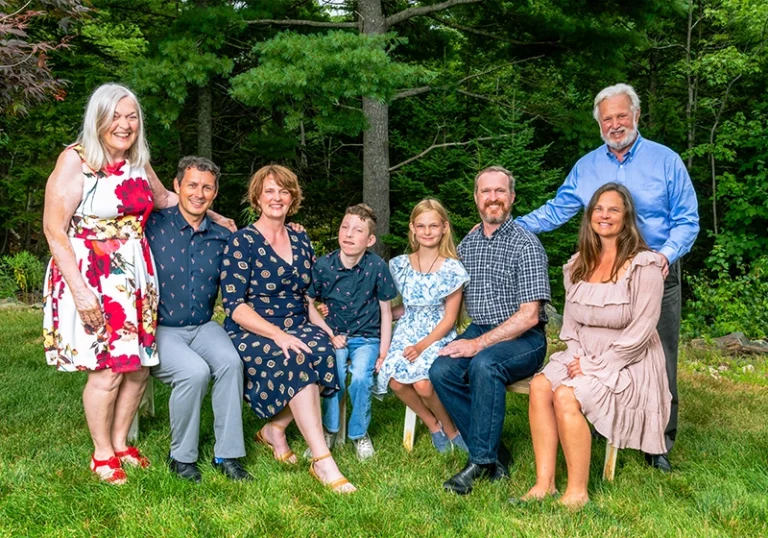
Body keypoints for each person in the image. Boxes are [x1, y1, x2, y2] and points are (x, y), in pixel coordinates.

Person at [516, 83, 699, 472]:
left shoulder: (666, 161)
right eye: (607, 119)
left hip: (654, 273)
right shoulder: (587, 166)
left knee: (657, 356)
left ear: (635, 116)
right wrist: (514, 227)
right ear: (599, 124)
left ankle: (658, 443)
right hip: (602, 274)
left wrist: (664, 256)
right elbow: (558, 208)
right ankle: (598, 416)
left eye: (621, 116)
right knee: (596, 349)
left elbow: (687, 220)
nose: (615, 124)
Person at [42, 83, 173, 484]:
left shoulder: (138, 160)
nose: (125, 124)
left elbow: (165, 199)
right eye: (115, 116)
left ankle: (120, 443)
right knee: (107, 371)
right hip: (91, 277)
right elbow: (53, 230)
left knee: (136, 369)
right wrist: (81, 292)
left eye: (131, 116)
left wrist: (217, 217)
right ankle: (100, 453)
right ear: (97, 119)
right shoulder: (75, 160)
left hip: (134, 276)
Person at [521, 184, 671, 509]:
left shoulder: (644, 265)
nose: (604, 215)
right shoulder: (578, 264)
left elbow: (643, 329)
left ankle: (577, 492)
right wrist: (577, 357)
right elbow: (572, 324)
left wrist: (595, 366)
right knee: (540, 386)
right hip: (582, 350)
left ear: (626, 216)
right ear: (589, 216)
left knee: (566, 395)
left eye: (613, 209)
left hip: (629, 358)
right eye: (598, 209)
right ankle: (543, 483)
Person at [220, 164, 355, 493]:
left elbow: (304, 295)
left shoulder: (300, 236)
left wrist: (322, 327)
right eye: (269, 191)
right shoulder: (242, 242)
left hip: (297, 321)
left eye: (284, 191)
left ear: (293, 197)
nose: (276, 197)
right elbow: (235, 307)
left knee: (324, 351)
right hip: (255, 327)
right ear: (257, 197)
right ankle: (323, 462)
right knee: (295, 358)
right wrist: (278, 334)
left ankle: (274, 430)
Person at [429, 166, 550, 495]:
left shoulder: (527, 244)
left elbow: (529, 315)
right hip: (482, 328)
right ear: (476, 198)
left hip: (525, 337)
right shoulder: (468, 244)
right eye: (486, 192)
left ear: (511, 197)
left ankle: (478, 462)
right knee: (441, 369)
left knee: (485, 364)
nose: (493, 198)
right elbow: (438, 280)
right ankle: (495, 453)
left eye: (500, 191)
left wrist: (478, 344)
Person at [146, 156, 251, 483]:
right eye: (192, 185)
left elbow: (258, 250)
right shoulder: (152, 223)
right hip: (162, 328)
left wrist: (291, 230)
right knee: (194, 373)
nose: (199, 193)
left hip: (204, 325)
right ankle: (181, 457)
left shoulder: (223, 235)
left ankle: (228, 455)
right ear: (177, 186)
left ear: (215, 192)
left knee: (231, 364)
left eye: (207, 187)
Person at [374, 199, 469, 453]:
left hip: (436, 334)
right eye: (421, 226)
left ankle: (451, 429)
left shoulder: (452, 269)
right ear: (412, 229)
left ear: (445, 228)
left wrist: (421, 346)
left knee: (424, 384)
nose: (427, 232)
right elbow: (404, 306)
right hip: (407, 329)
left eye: (433, 226)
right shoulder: (400, 265)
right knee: (395, 381)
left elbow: (449, 318)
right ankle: (433, 425)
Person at [307, 204, 397, 460]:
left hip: (367, 339)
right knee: (331, 373)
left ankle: (359, 434)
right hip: (333, 336)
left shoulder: (377, 267)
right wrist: (327, 332)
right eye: (344, 227)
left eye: (357, 230)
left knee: (360, 377)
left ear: (369, 240)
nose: (348, 234)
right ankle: (329, 430)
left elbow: (386, 313)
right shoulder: (324, 265)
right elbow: (308, 303)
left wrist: (383, 352)